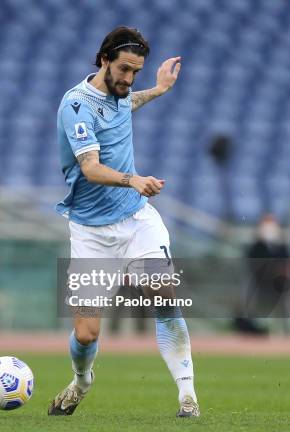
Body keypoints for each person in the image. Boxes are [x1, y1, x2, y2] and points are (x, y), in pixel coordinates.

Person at [49, 27, 199, 417]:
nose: (129, 79)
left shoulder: (120, 93)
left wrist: (159, 90)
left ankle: (188, 395)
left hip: (136, 220)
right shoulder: (76, 105)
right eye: (124, 70)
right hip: (91, 233)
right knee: (86, 334)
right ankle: (81, 382)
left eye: (136, 72)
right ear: (103, 60)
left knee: (164, 291)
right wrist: (134, 178)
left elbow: (126, 104)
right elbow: (91, 167)